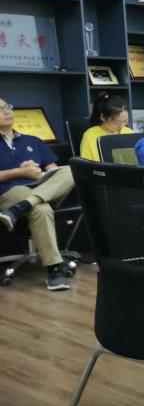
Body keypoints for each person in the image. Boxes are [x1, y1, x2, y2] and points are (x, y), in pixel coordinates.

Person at [0, 98, 76, 290]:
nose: (7, 111)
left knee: (69, 170)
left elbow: (54, 170)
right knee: (41, 209)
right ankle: (54, 269)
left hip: (42, 188)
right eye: (0, 109)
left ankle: (21, 207)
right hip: (10, 190)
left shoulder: (32, 140)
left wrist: (40, 174)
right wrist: (20, 172)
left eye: (7, 106)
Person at [79, 92, 133, 161]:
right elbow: (87, 164)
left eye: (125, 121)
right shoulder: (90, 136)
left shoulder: (128, 132)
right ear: (103, 117)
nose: (122, 126)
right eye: (116, 123)